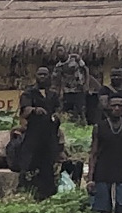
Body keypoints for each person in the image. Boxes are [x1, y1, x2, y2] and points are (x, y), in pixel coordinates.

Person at [18, 68, 65, 200]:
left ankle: (48, 193)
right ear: (36, 76)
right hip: (34, 134)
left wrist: (56, 115)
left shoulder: (53, 94)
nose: (43, 77)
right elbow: (24, 110)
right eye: (40, 74)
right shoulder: (29, 93)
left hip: (49, 134)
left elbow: (58, 109)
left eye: (45, 74)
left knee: (48, 164)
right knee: (29, 163)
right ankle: (27, 191)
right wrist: (34, 110)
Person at [57, 51, 90, 122]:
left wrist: (86, 84)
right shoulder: (59, 66)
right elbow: (60, 79)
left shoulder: (75, 58)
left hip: (79, 89)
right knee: (68, 111)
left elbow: (86, 69)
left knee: (81, 109)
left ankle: (83, 124)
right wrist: (61, 91)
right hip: (67, 91)